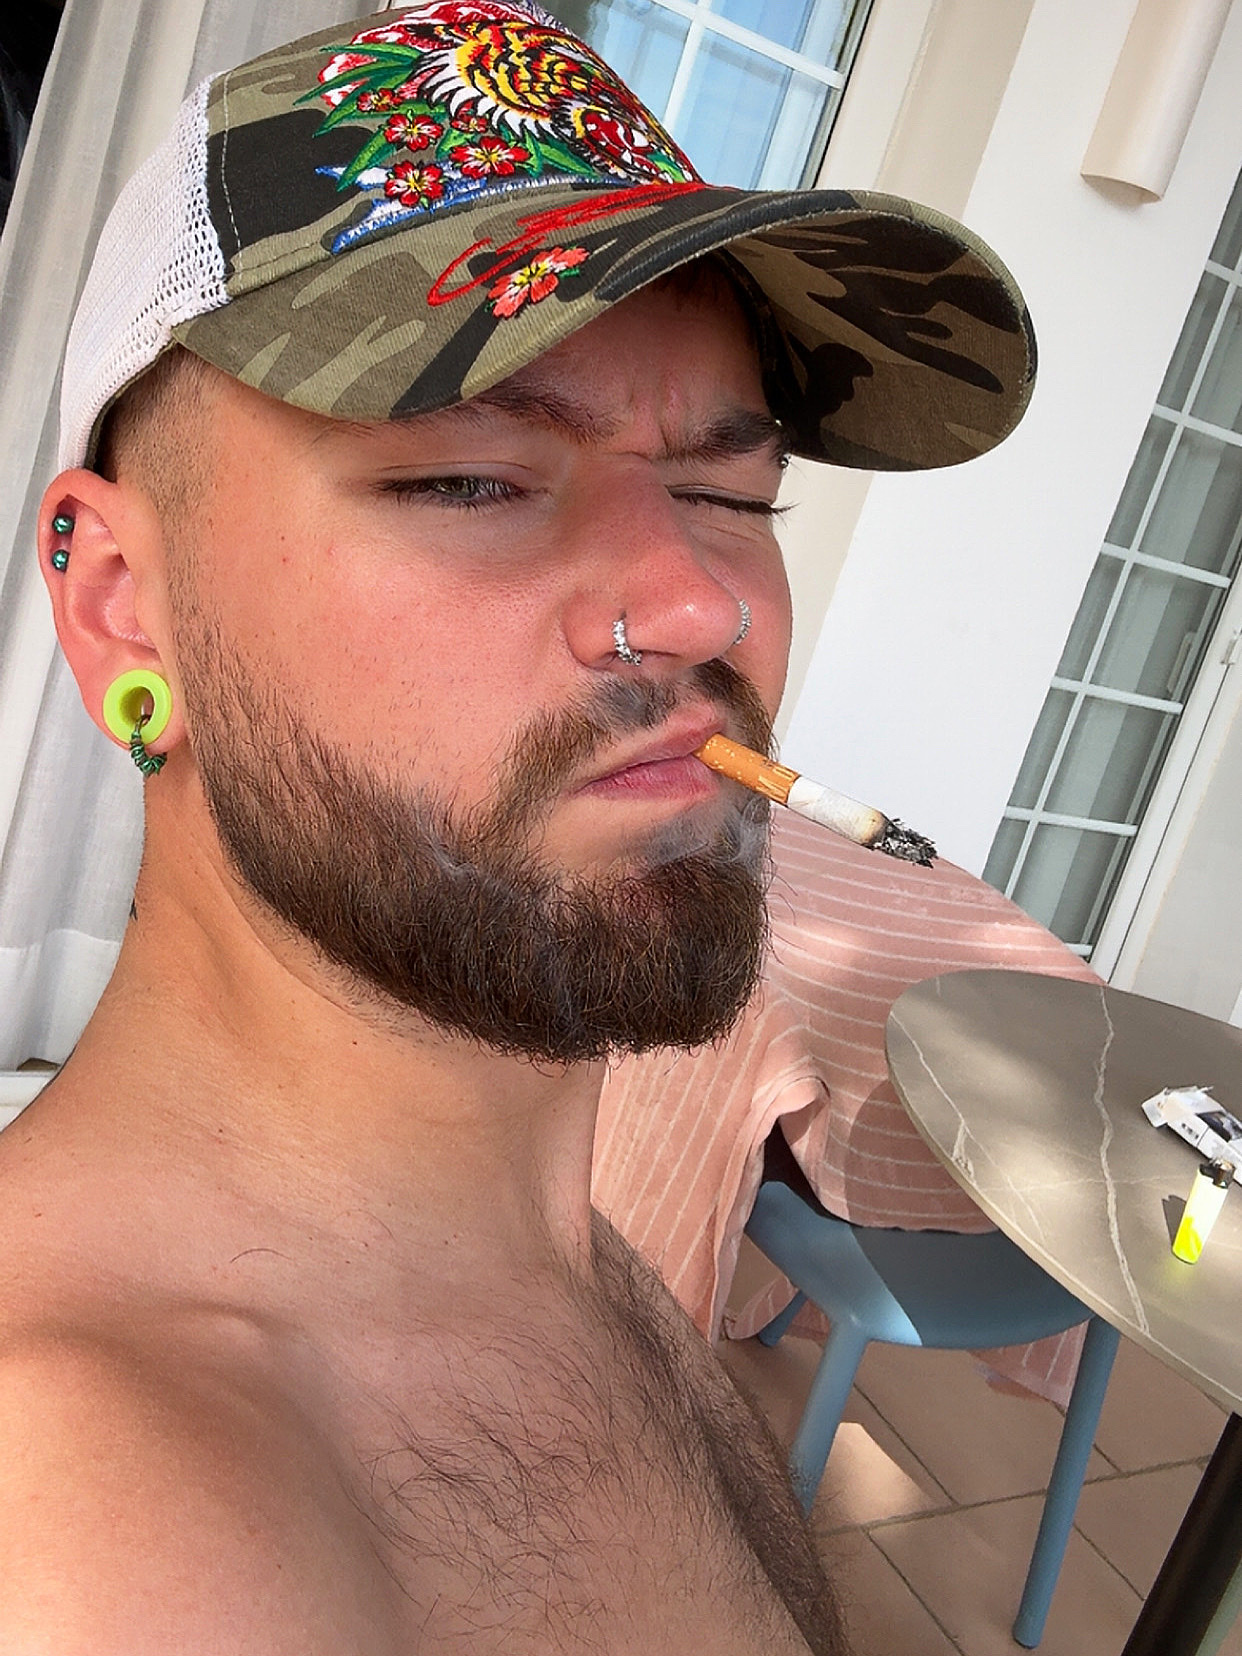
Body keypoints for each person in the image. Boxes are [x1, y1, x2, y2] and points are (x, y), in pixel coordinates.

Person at [6, 4, 1035, 1649]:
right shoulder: (94, 1523)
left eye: (730, 492)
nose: (701, 600)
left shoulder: (584, 1264)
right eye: (471, 480)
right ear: (130, 609)